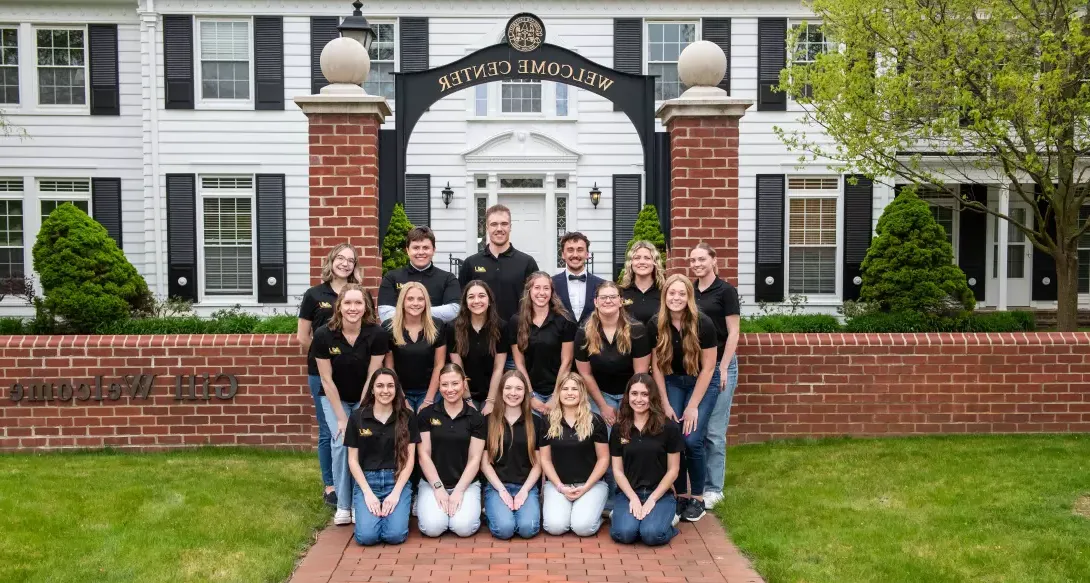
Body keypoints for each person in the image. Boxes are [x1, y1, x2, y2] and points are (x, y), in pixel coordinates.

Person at [312, 284, 390, 526]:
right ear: (339, 306)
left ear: (366, 307)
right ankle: (343, 505)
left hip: (364, 397)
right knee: (339, 442)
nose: (353, 308)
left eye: (358, 303)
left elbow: (373, 375)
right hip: (334, 397)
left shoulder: (377, 334)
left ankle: (359, 503)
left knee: (362, 442)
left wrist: (359, 413)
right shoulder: (324, 335)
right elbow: (326, 379)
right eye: (348, 303)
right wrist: (344, 419)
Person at [648, 274, 719, 522]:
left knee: (692, 440)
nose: (676, 298)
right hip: (672, 382)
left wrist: (692, 406)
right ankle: (679, 495)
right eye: (671, 293)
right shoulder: (656, 323)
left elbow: (709, 367)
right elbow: (656, 366)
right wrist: (665, 403)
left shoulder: (704, 323)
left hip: (702, 382)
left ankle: (697, 497)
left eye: (681, 293)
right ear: (664, 296)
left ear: (689, 297)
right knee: (674, 436)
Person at [297, 243, 360, 506]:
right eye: (341, 258)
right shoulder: (314, 295)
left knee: (354, 429)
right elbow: (303, 337)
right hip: (320, 372)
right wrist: (326, 356)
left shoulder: (358, 294)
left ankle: (355, 483)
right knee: (327, 431)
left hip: (353, 372)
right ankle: (331, 485)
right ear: (331, 261)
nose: (345, 264)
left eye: (351, 260)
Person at [689, 243, 741, 511]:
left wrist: (722, 367)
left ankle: (714, 488)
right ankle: (696, 484)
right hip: (695, 367)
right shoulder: (691, 291)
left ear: (713, 260)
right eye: (693, 260)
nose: (696, 264)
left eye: (701, 259)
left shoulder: (726, 291)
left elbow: (733, 332)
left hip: (721, 366)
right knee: (694, 428)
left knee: (714, 431)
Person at [345, 368, 418, 546]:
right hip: (368, 482)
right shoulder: (357, 417)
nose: (385, 391)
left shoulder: (408, 417)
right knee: (366, 537)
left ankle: (391, 514)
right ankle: (372, 514)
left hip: (396, 480)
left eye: (390, 386)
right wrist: (367, 493)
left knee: (395, 536)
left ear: (396, 389)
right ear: (372, 389)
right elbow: (352, 460)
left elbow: (409, 460)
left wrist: (396, 493)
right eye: (380, 386)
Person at [609, 373, 682, 546]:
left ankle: (669, 520)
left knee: (651, 535)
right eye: (634, 394)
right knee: (625, 534)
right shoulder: (619, 428)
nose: (639, 399)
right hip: (628, 493)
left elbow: (673, 470)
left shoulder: (668, 428)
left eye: (644, 394)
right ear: (627, 397)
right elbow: (617, 470)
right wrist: (633, 498)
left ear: (652, 397)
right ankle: (622, 516)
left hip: (660, 494)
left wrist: (652, 499)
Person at [416, 363, 486, 537]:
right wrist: (438, 488)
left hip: (466, 484)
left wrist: (459, 491)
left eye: (455, 383)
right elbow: (424, 455)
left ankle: (462, 509)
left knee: (463, 528)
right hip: (433, 483)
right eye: (444, 384)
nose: (450, 389)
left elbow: (475, 459)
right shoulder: (426, 415)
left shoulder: (476, 418)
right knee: (433, 528)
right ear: (439, 386)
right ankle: (429, 506)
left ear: (464, 384)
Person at [539, 372, 611, 537]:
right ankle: (573, 510)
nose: (570, 393)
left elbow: (603, 459)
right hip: (558, 485)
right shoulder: (548, 421)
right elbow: (545, 460)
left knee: (582, 528)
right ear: (558, 392)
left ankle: (596, 516)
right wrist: (560, 486)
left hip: (591, 484)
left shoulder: (595, 421)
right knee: (555, 527)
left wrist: (586, 487)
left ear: (582, 393)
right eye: (565, 389)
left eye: (574, 389)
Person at [479, 370, 545, 540]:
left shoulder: (536, 422)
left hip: (526, 486)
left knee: (527, 529)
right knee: (505, 530)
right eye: (508, 388)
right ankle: (492, 509)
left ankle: (513, 510)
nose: (513, 393)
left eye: (518, 388)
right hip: (497, 486)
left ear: (525, 393)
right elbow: (485, 463)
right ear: (501, 391)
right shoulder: (488, 421)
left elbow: (538, 464)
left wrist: (524, 491)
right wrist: (501, 490)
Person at [575, 281, 652, 425]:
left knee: (628, 435)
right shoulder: (584, 332)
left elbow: (640, 374)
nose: (608, 301)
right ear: (596, 302)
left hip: (632, 394)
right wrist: (603, 407)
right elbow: (585, 373)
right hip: (599, 394)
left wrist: (627, 404)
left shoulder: (637, 330)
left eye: (612, 297)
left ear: (621, 301)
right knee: (605, 435)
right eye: (603, 298)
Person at [458, 204, 539, 323]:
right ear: (487, 227)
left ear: (510, 227)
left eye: (504, 224)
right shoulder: (470, 263)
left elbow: (536, 301)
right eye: (494, 224)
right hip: (481, 335)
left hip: (517, 334)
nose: (499, 229)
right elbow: (462, 302)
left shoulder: (527, 263)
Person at [509, 271, 576, 414]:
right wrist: (531, 395)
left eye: (546, 288)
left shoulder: (564, 320)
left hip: (559, 390)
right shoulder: (517, 321)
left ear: (552, 292)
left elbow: (567, 361)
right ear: (529, 291)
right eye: (537, 287)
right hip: (529, 390)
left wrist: (556, 395)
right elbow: (519, 363)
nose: (542, 292)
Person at [383, 282, 448, 412]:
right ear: (402, 301)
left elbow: (439, 365)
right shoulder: (388, 327)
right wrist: (402, 399)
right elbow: (389, 367)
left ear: (426, 302)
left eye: (420, 299)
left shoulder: (438, 326)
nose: (415, 303)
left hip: (430, 391)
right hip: (399, 391)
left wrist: (429, 400)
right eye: (410, 299)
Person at [378, 226, 461, 323]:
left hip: (438, 337)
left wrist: (413, 312)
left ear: (433, 250)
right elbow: (385, 313)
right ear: (407, 250)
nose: (421, 252)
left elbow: (453, 310)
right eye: (416, 248)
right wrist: (418, 312)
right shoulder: (392, 277)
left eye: (425, 248)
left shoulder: (448, 278)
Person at [448, 280, 508, 414]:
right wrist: (468, 400)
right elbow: (458, 368)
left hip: (493, 393)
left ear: (490, 300)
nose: (476, 301)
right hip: (463, 394)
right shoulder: (453, 328)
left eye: (481, 296)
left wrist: (491, 401)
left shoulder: (501, 327)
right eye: (471, 297)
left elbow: (498, 368)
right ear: (465, 302)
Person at [552, 231, 604, 327]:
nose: (575, 255)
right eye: (570, 250)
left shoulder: (602, 285)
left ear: (587, 254)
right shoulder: (551, 284)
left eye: (580, 250)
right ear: (563, 254)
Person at [619, 241, 665, 327]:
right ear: (631, 263)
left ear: (655, 262)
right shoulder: (621, 293)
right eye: (637, 258)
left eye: (647, 258)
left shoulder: (664, 292)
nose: (642, 262)